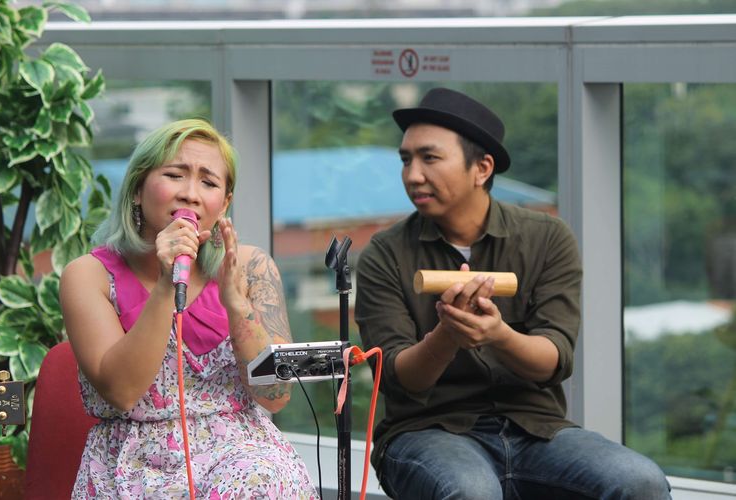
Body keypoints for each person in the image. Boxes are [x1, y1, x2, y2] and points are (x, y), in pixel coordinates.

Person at [354, 88, 671, 499]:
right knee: (471, 491)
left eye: (429, 158)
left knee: (640, 482)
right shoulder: (386, 252)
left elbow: (554, 360)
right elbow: (398, 378)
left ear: (482, 168)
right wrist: (446, 336)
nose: (413, 175)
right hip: (425, 431)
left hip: (535, 428)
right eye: (406, 159)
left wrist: (496, 334)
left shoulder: (546, 238)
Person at [60, 119, 318, 499]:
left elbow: (276, 397)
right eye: (175, 175)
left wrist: (234, 302)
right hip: (133, 464)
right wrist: (167, 284)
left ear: (224, 203)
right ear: (137, 189)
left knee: (259, 480)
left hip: (243, 458)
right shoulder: (88, 275)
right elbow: (123, 392)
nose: (191, 194)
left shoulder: (250, 267)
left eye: (209, 182)